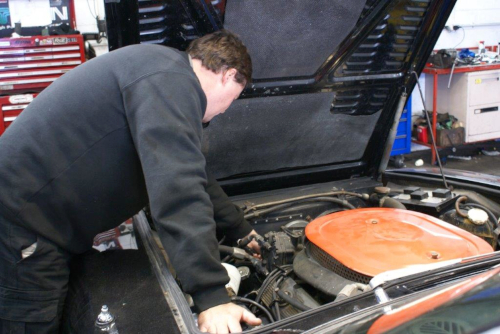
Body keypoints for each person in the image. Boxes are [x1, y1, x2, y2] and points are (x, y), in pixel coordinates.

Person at [0, 30, 261, 333]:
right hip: (25, 226)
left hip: (43, 222)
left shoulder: (160, 71)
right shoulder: (170, 82)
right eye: (233, 98)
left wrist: (240, 229)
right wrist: (213, 296)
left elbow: (192, 171)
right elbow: (179, 188)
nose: (226, 109)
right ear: (229, 76)